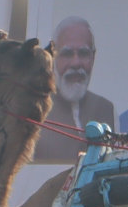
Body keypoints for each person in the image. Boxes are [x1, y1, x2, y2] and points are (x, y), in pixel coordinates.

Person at [35, 16, 116, 163]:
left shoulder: (105, 108)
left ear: (93, 57)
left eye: (83, 54)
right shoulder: (36, 108)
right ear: (53, 56)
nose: (76, 63)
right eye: (67, 54)